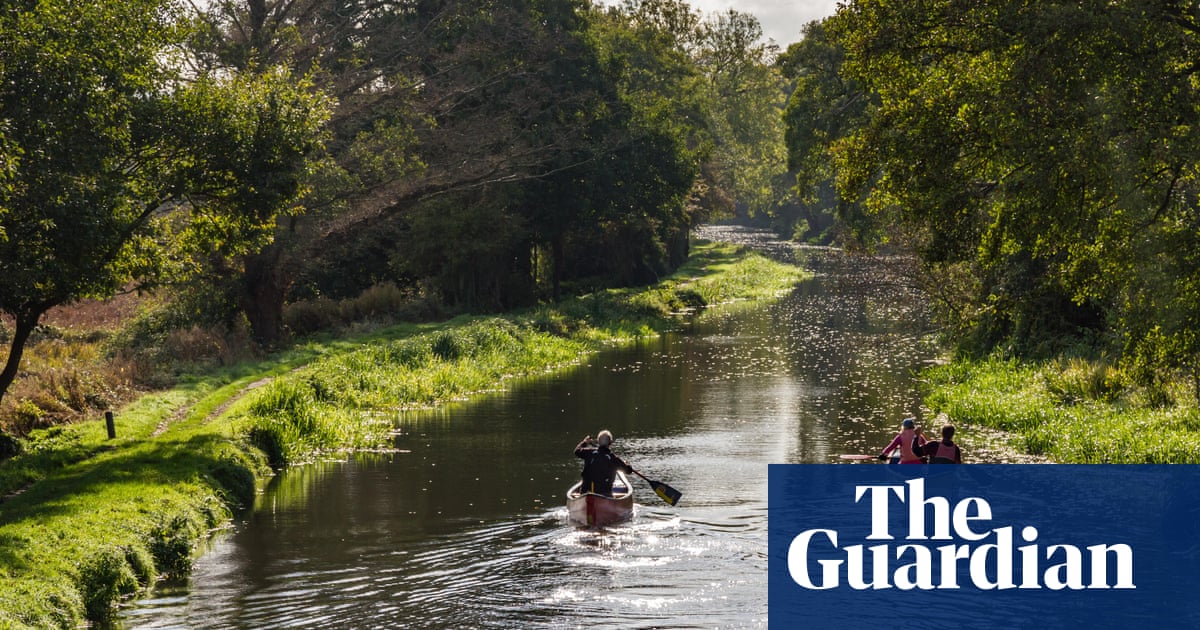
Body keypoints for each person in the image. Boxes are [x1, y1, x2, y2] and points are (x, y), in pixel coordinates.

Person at [575, 430, 633, 496]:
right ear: (610, 443)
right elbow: (628, 471)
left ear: (598, 441)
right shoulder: (613, 458)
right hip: (605, 495)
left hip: (585, 493)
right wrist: (627, 464)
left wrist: (585, 442)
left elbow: (577, 451)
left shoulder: (589, 452)